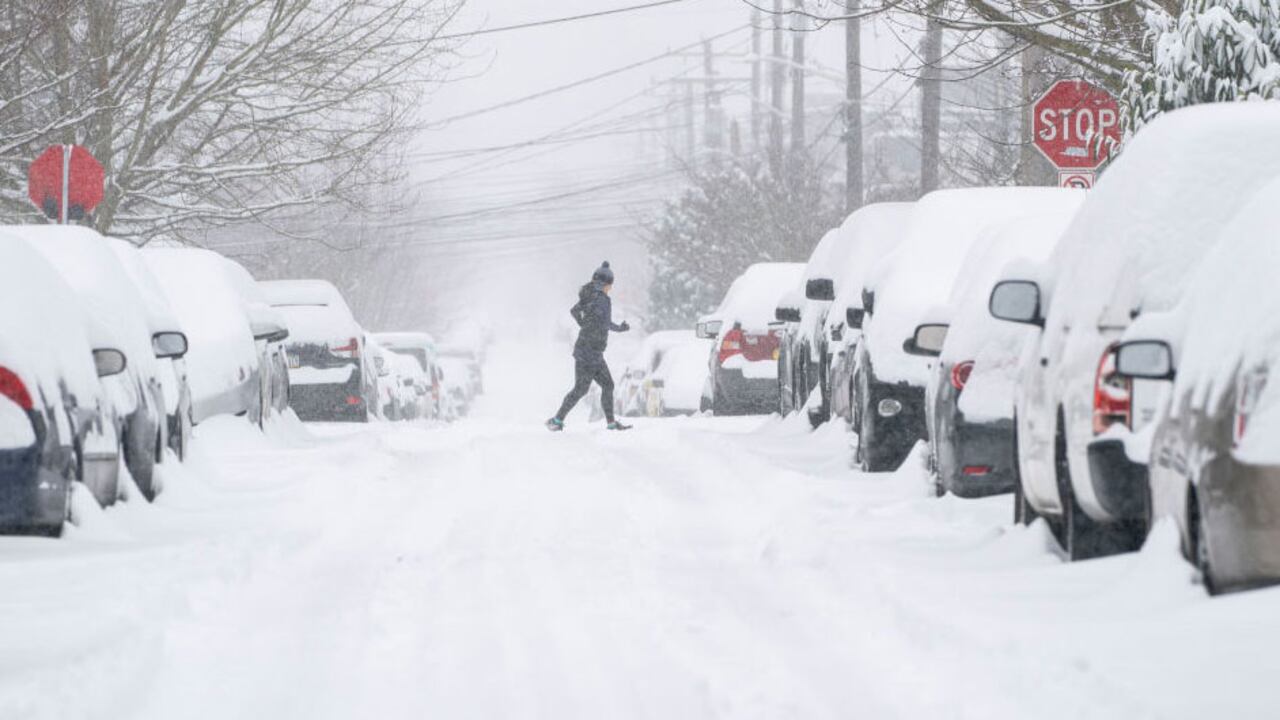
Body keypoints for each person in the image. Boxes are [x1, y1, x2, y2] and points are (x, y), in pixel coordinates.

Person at [547, 261, 632, 431]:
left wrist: (584, 324)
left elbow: (574, 311)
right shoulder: (603, 299)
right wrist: (620, 328)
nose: (611, 288)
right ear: (606, 284)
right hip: (592, 352)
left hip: (584, 349)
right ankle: (608, 423)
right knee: (601, 386)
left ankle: (558, 420)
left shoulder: (588, 295)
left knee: (584, 389)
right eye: (610, 285)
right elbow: (605, 323)